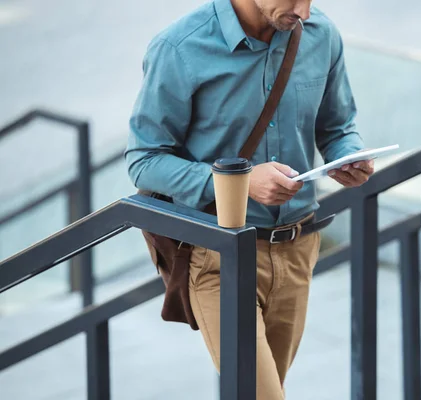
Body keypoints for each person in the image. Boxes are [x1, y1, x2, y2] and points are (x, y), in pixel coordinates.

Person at [125, 0, 374, 398]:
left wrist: (348, 155)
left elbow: (338, 125)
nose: (305, 12)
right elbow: (144, 160)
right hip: (218, 255)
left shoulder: (320, 36)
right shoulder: (180, 48)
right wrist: (237, 182)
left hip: (297, 250)